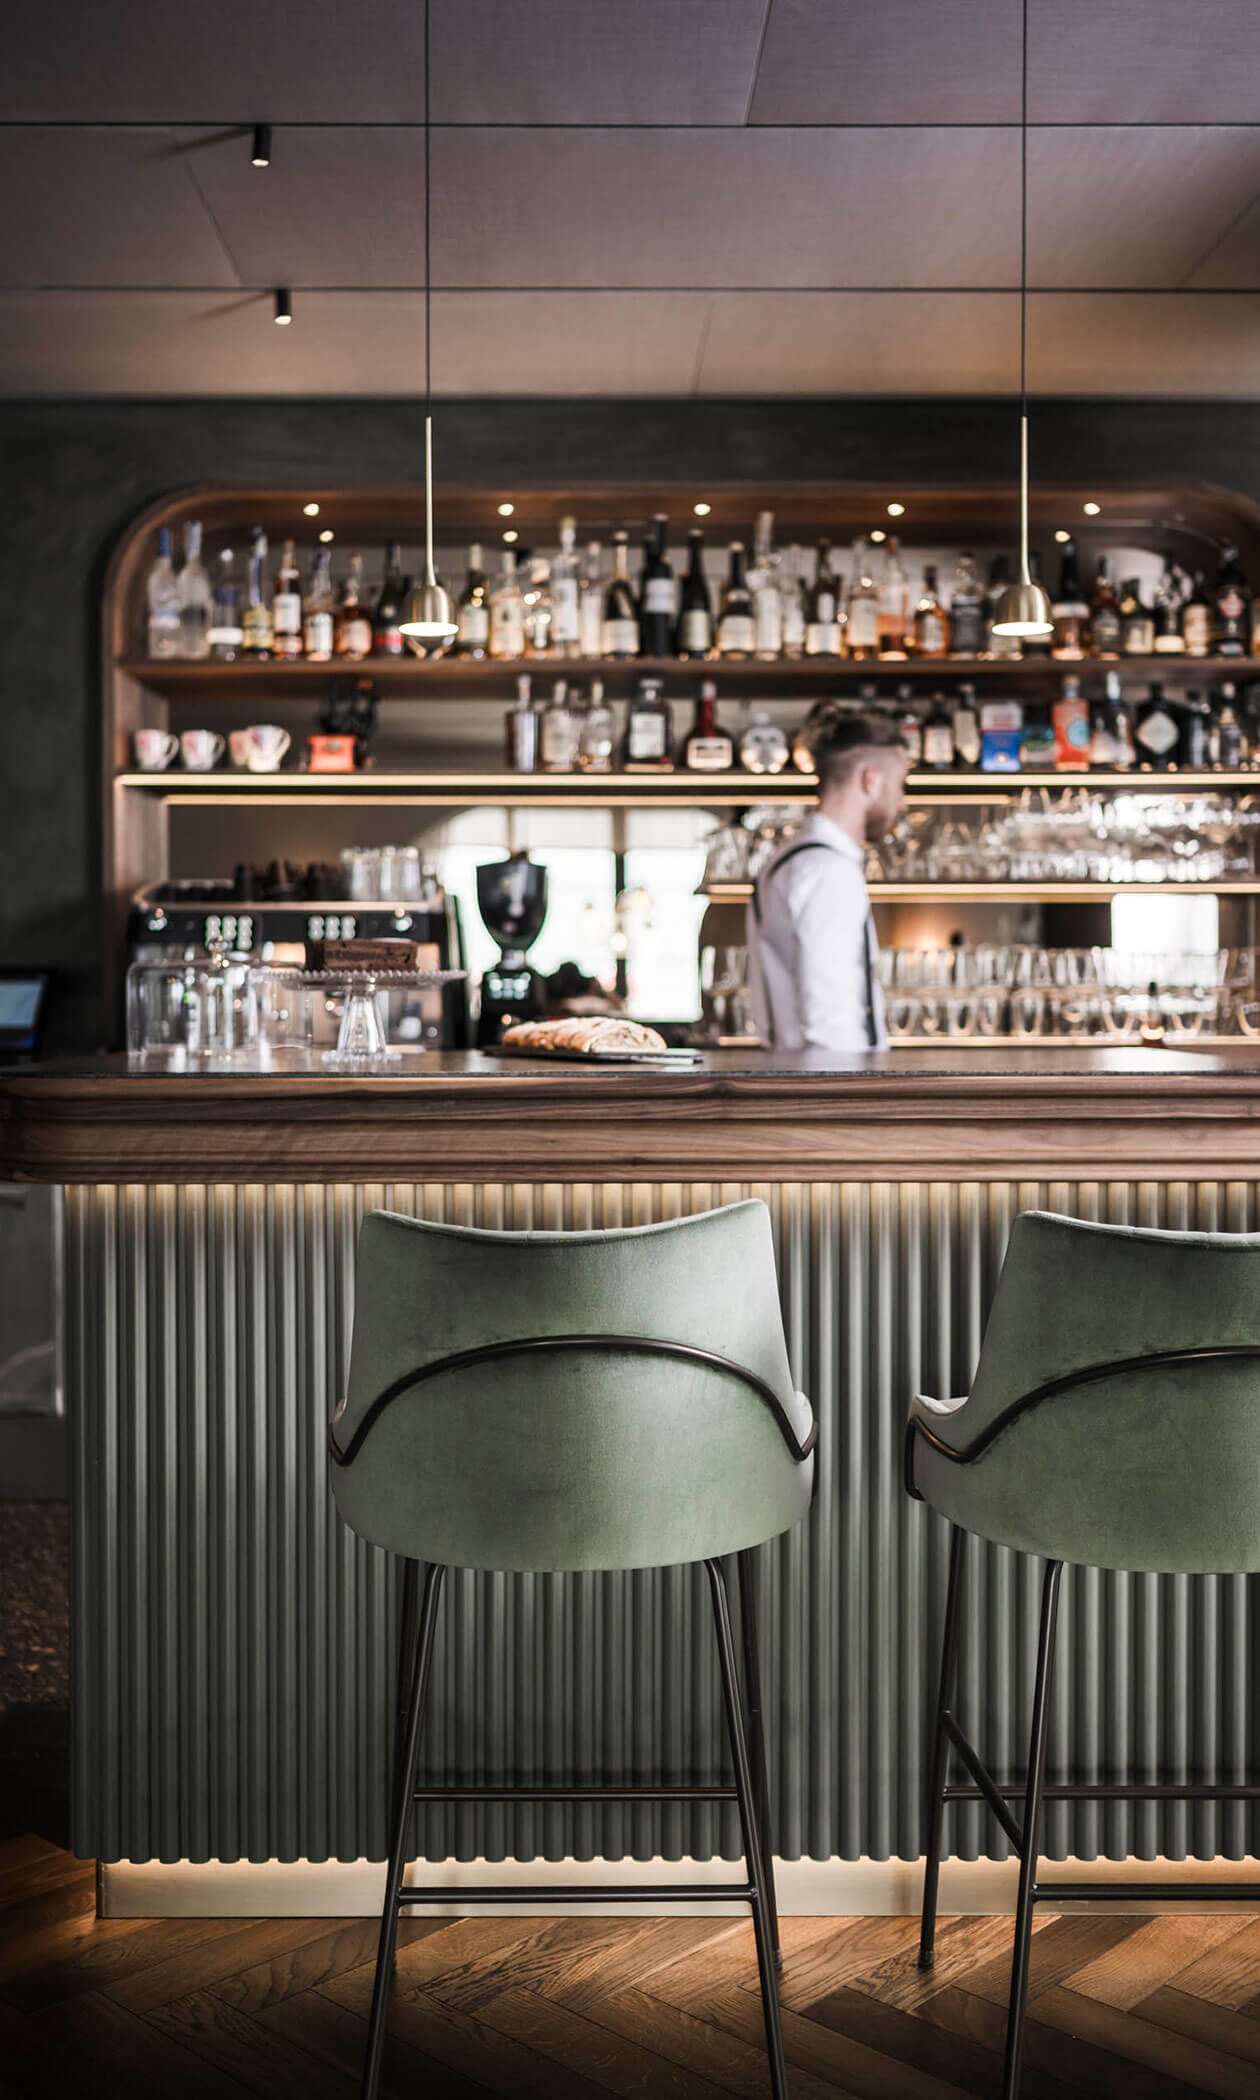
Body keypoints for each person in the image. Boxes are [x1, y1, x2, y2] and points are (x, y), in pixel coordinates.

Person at [747, 710, 909, 1051]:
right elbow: (830, 1022)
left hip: (792, 1069)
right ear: (870, 780)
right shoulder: (828, 870)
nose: (902, 804)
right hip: (834, 1076)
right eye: (900, 785)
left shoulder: (786, 861)